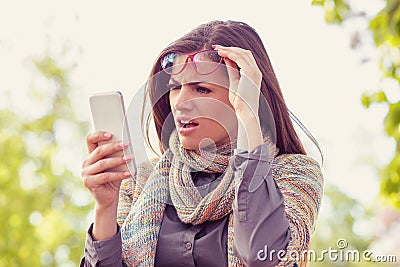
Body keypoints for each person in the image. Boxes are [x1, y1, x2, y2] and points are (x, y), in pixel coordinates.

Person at [80, 20, 324, 267]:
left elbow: (263, 257)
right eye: (175, 87)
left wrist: (247, 116)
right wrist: (105, 206)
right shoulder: (141, 179)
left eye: (202, 89)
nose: (180, 102)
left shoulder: (295, 174)